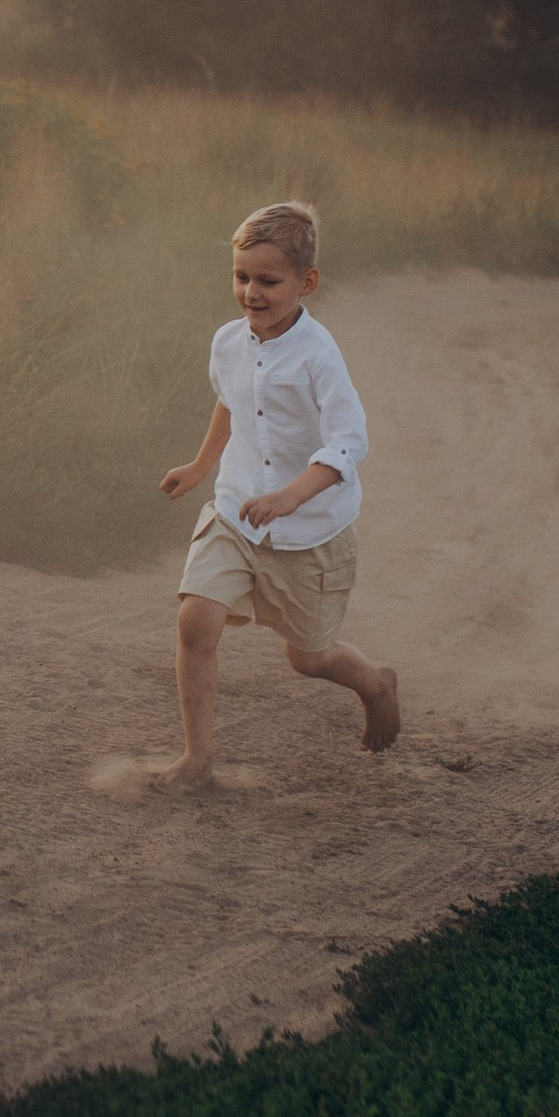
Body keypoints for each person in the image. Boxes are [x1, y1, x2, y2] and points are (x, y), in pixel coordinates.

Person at [152, 198, 399, 780]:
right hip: (238, 511)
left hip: (312, 531)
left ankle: (376, 684)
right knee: (196, 621)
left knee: (308, 658)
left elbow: (348, 443)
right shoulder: (227, 342)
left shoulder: (319, 356)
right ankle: (198, 758)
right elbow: (231, 403)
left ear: (306, 282)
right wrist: (198, 465)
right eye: (241, 277)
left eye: (268, 281)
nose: (250, 293)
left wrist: (292, 495)